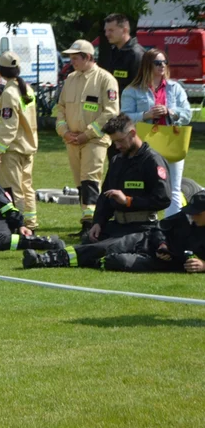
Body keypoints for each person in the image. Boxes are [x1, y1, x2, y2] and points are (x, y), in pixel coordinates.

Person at [24, 191, 205, 272]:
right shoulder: (185, 217)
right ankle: (46, 259)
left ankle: (87, 261)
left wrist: (202, 265)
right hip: (146, 240)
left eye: (197, 213)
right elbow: (159, 228)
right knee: (106, 246)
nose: (192, 216)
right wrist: (162, 244)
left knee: (118, 261)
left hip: (162, 263)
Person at [55, 39, 120, 236]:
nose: (71, 62)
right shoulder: (71, 79)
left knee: (90, 181)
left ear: (88, 57)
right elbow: (61, 108)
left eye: (75, 58)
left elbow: (110, 112)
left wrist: (87, 134)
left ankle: (93, 225)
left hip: (95, 140)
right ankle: (87, 223)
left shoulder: (105, 79)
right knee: (80, 182)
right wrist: (65, 131)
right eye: (71, 58)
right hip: (72, 140)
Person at [122, 48, 192, 216]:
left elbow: (187, 114)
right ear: (147, 65)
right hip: (145, 145)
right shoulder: (132, 90)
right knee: (146, 187)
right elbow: (123, 118)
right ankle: (146, 226)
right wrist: (145, 115)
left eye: (164, 62)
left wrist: (170, 112)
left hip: (170, 143)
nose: (162, 66)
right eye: (157, 63)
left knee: (173, 188)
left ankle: (172, 229)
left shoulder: (175, 88)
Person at [82, 113, 172, 244]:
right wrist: (98, 222)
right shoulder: (117, 160)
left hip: (142, 228)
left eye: (120, 141)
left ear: (132, 133)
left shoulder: (152, 161)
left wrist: (128, 201)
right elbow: (106, 195)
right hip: (118, 225)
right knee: (87, 241)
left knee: (105, 249)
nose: (117, 146)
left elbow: (163, 199)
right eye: (114, 142)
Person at [0, 51, 40, 229]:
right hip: (28, 146)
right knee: (27, 187)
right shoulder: (27, 89)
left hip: (14, 149)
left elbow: (8, 126)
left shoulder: (10, 93)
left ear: (0, 71)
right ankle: (31, 223)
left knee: (15, 189)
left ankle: (19, 226)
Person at [102, 13, 146, 96]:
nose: (106, 34)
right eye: (106, 30)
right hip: (114, 103)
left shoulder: (137, 54)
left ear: (125, 30)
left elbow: (141, 88)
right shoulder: (114, 52)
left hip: (129, 106)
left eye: (111, 30)